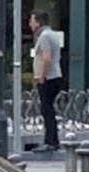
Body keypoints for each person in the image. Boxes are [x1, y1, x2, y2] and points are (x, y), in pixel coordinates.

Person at [29, 10, 68, 153]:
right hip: (55, 75)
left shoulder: (44, 36)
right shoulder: (53, 34)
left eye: (32, 21)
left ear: (38, 22)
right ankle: (53, 140)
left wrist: (41, 76)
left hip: (49, 77)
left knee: (46, 109)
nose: (30, 24)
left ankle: (50, 142)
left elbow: (46, 57)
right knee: (48, 108)